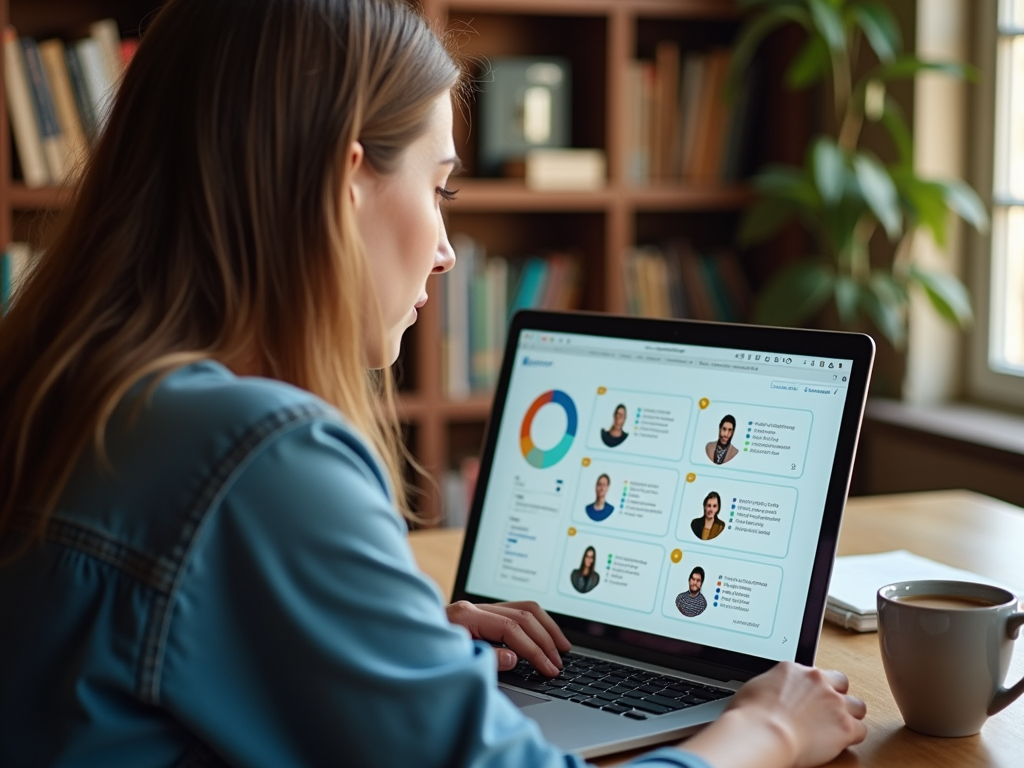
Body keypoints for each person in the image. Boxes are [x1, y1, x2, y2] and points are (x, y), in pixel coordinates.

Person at [0, 1, 867, 767]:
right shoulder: (256, 455)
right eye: (439, 186)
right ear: (344, 182)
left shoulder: (61, 383)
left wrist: (375, 650)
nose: (448, 248)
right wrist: (768, 732)